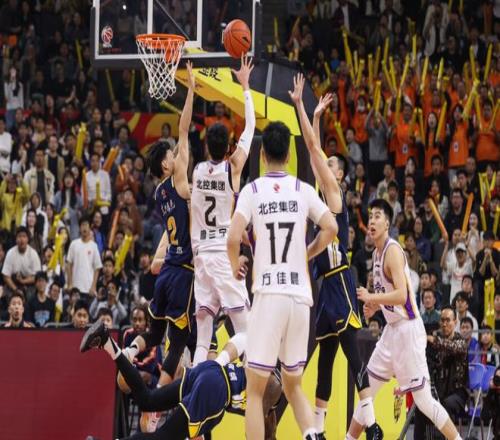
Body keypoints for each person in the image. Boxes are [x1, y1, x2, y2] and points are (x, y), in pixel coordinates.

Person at [227, 120, 337, 440]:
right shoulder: (303, 190)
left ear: (262, 155)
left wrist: (234, 267)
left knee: (255, 390)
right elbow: (331, 227)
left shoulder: (253, 190)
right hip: (300, 299)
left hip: (269, 295)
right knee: (293, 385)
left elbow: (233, 236)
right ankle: (312, 435)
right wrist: (307, 253)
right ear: (289, 155)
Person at [289, 77, 382, 439]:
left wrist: (303, 107)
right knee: (325, 361)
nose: (324, 166)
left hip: (340, 277)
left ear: (339, 173)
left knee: (352, 353)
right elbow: (314, 153)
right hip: (324, 285)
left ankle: (372, 425)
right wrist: (313, 117)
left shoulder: (335, 192)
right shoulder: (322, 190)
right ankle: (320, 431)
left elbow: (314, 150)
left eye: (331, 164)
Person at [120, 63, 196, 433]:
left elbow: (178, 144)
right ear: (166, 165)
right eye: (170, 155)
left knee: (153, 334)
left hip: (166, 273)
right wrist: (191, 90)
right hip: (182, 271)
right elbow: (183, 130)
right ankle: (156, 403)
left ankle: (128, 352)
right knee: (178, 341)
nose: (174, 155)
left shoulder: (160, 191)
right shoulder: (178, 181)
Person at [357, 198, 462, 440]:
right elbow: (388, 295)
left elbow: (402, 295)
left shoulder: (393, 251)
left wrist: (371, 296)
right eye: (370, 216)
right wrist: (375, 306)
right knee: (366, 389)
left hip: (408, 330)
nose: (371, 221)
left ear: (387, 223)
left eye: (377, 216)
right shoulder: (375, 254)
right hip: (392, 330)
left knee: (424, 401)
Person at [80, 321, 280, 440]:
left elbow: (243, 338)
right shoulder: (270, 394)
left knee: (147, 400)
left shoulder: (263, 379)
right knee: (164, 437)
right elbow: (244, 339)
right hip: (216, 388)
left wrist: (218, 363)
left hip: (210, 372)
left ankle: (106, 341)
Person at [191, 56, 255, 366]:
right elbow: (251, 128)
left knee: (203, 339)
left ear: (206, 146)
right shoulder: (233, 168)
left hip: (201, 256)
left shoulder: (197, 172)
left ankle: (194, 382)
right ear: (229, 146)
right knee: (248, 332)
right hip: (223, 254)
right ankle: (219, 367)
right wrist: (245, 87)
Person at [415, 307, 468, 439]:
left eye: (448, 320)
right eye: (442, 320)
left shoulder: (461, 342)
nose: (444, 324)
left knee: (444, 405)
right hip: (439, 390)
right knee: (421, 406)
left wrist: (434, 340)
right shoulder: (436, 342)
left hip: (458, 393)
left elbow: (452, 347)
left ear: (455, 322)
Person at [66, 216, 102, 300]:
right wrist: (70, 283)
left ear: (90, 227)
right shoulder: (74, 244)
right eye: (82, 225)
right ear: (79, 228)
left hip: (88, 288)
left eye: (86, 225)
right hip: (75, 288)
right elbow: (69, 264)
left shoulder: (94, 246)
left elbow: (97, 268)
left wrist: (93, 286)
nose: (84, 228)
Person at [2, 226, 41, 297]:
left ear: (28, 239)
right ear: (16, 239)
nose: (22, 239)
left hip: (29, 285)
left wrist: (23, 281)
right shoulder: (10, 253)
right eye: (19, 236)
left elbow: (36, 276)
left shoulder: (33, 253)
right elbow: (6, 276)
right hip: (13, 283)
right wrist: (16, 289)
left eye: (24, 236)